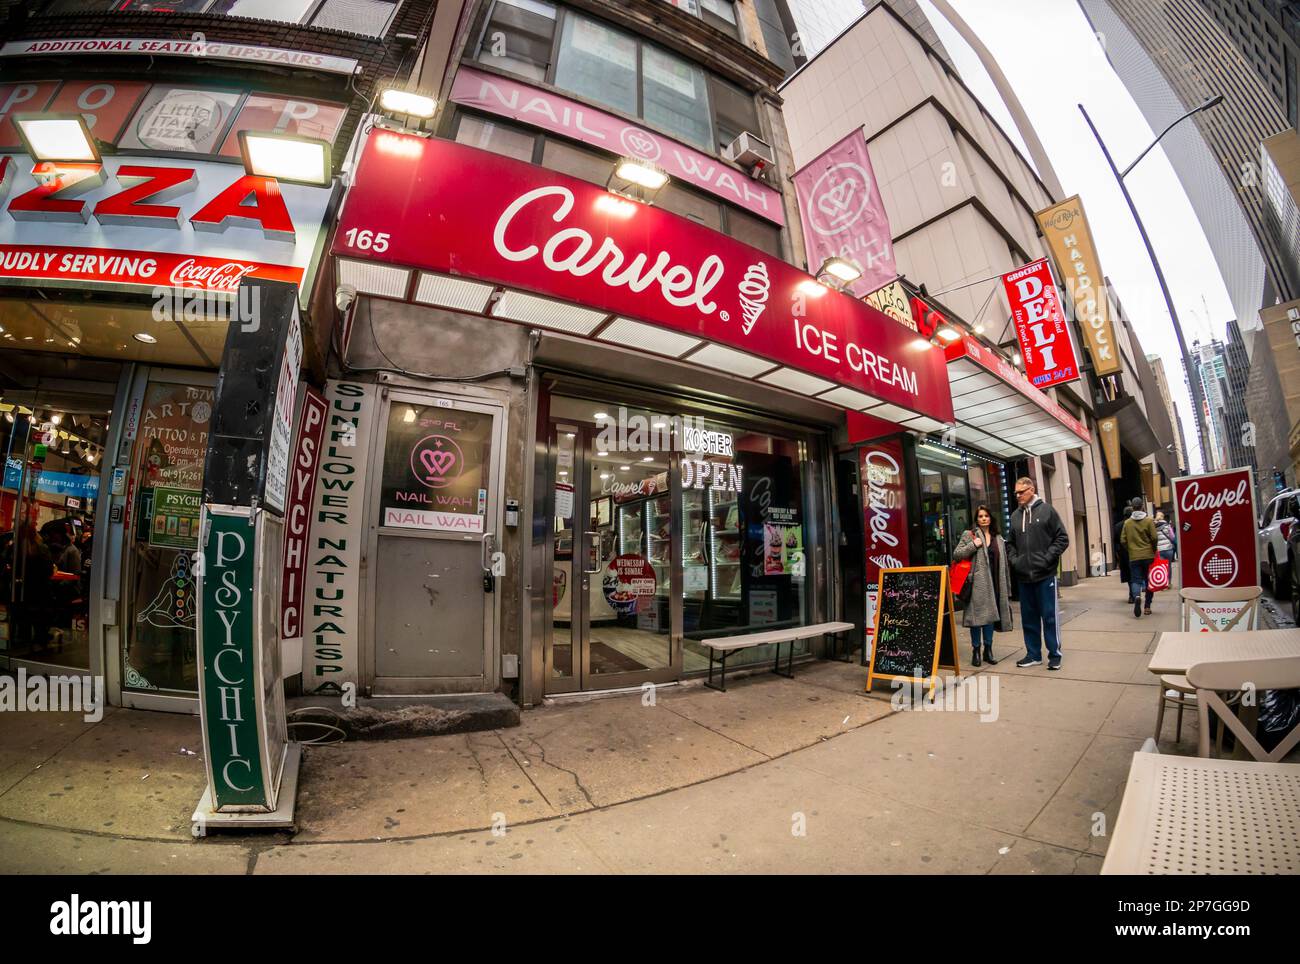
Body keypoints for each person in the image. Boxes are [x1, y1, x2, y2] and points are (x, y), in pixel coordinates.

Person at [1007, 477, 1069, 670]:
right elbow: (1010, 544)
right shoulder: (1015, 516)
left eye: (1021, 492)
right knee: (1029, 618)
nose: (1017, 496)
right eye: (1015, 493)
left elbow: (1062, 538)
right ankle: (1033, 654)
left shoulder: (1047, 511)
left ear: (1031, 489)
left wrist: (1046, 559)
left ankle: (1054, 654)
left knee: (1049, 617)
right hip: (1024, 577)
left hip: (1045, 576)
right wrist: (1015, 562)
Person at [952, 504, 1013, 667]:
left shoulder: (998, 538)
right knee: (976, 619)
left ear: (991, 518)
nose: (983, 518)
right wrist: (974, 545)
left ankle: (988, 649)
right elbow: (957, 555)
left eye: (986, 516)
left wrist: (1007, 585)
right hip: (977, 584)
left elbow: (1004, 564)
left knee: (990, 618)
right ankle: (976, 650)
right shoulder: (969, 534)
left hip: (995, 582)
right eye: (980, 516)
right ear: (976, 519)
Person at [1122, 496, 1159, 617]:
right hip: (1148, 555)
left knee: (1136, 580)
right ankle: (1147, 607)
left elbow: (1123, 540)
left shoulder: (1127, 523)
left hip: (1134, 557)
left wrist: (1130, 549)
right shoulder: (1149, 521)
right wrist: (1153, 549)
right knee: (1149, 581)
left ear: (1132, 508)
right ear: (1142, 506)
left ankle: (1137, 596)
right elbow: (1154, 537)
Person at [1114, 506, 1133, 602]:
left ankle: (1132, 594)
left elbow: (1116, 541)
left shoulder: (1118, 526)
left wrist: (1118, 554)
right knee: (1137, 574)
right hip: (1135, 552)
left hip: (1124, 553)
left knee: (1129, 575)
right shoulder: (1134, 524)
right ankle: (1135, 594)